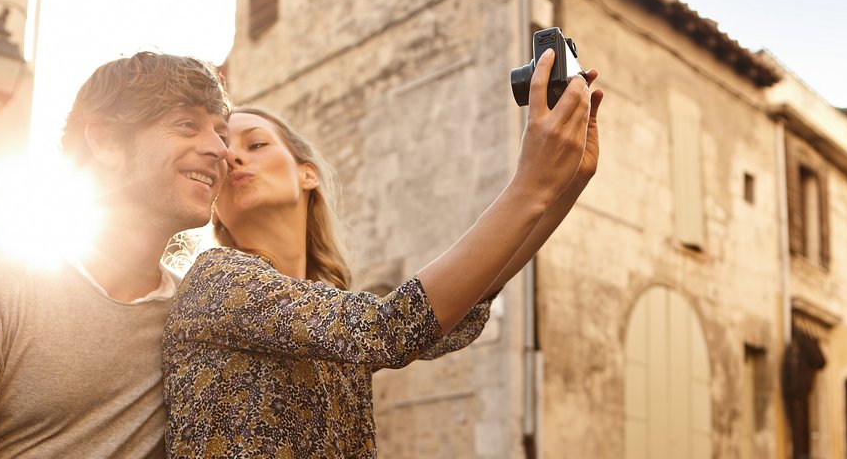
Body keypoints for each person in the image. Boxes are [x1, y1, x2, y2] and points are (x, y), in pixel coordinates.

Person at [162, 48, 605, 457]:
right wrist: (532, 185)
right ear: (216, 211)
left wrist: (565, 184)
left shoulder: (323, 304)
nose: (234, 158)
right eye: (223, 156)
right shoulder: (217, 280)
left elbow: (452, 313)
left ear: (308, 175)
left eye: (255, 144)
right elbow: (394, 327)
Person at [0, 52, 231, 458]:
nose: (219, 149)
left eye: (221, 133)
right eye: (187, 125)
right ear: (104, 140)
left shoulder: (194, 315)